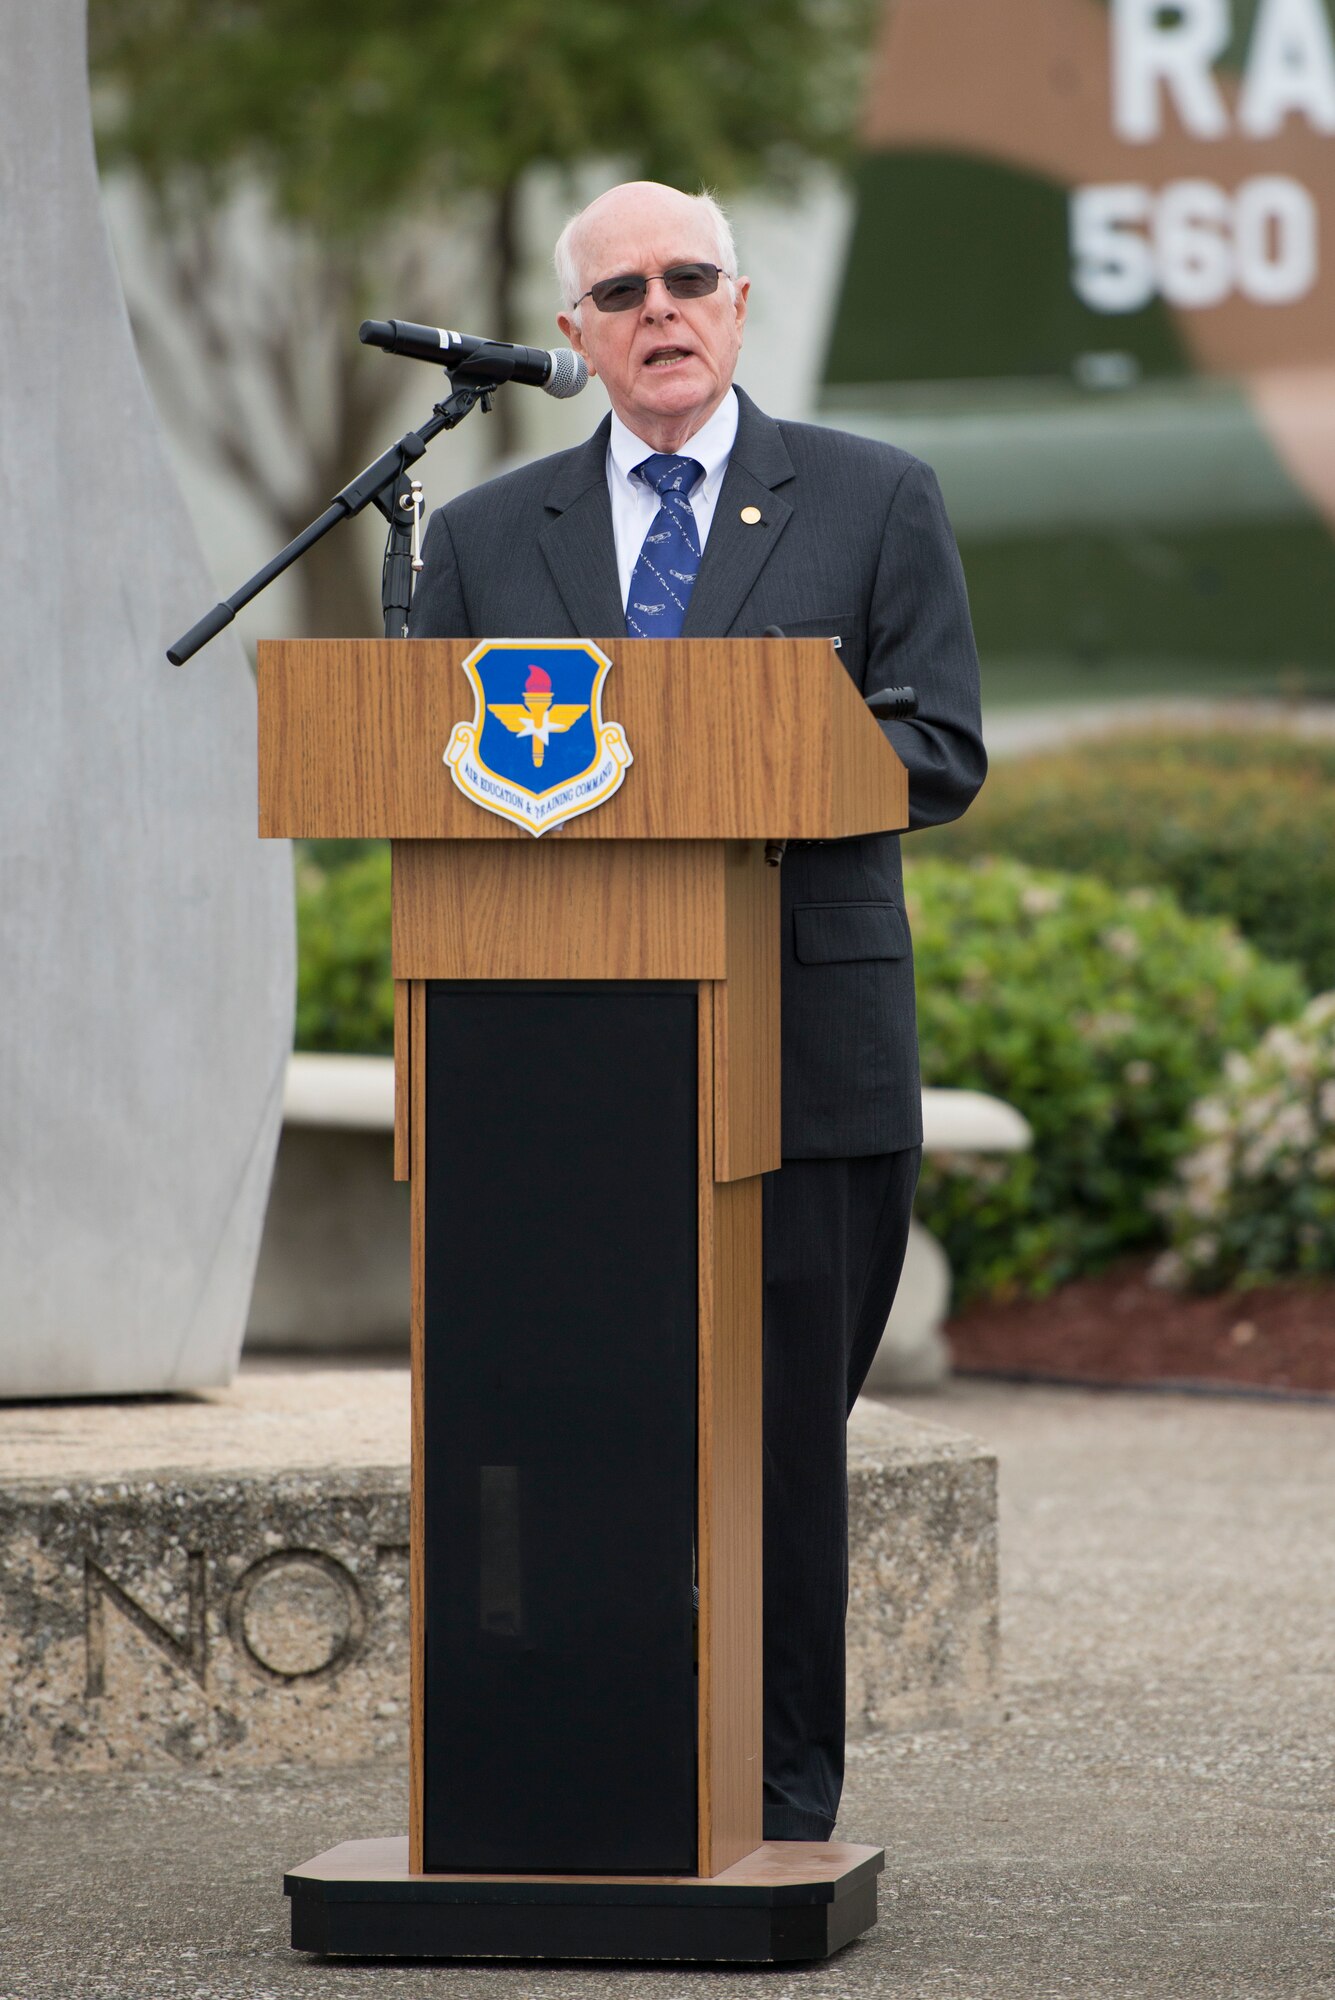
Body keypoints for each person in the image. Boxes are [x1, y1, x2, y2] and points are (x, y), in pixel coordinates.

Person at [408, 180, 986, 1842]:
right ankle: (574, 1775)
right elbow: (419, 771)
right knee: (572, 1435)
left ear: (736, 309)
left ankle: (778, 1803)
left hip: (800, 1062)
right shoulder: (486, 535)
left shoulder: (874, 500)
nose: (660, 309)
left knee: (782, 1447)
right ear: (576, 336)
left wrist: (749, 751)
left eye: (690, 280)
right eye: (621, 290)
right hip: (555, 1068)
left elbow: (937, 747)